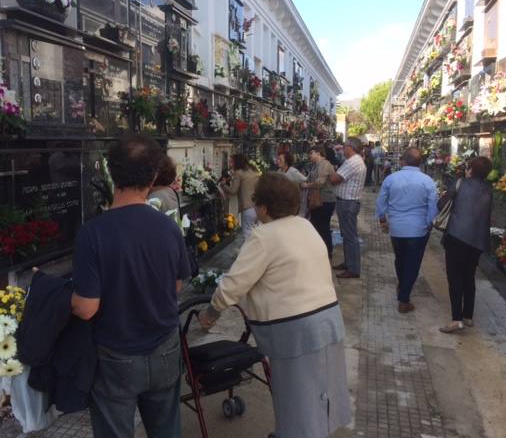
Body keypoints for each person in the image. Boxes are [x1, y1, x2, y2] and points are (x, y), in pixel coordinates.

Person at [198, 172, 352, 438]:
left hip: (295, 329)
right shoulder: (305, 225)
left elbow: (232, 285)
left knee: (296, 399)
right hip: (328, 318)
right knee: (322, 390)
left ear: (263, 208)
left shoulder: (264, 236)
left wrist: (210, 314)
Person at [71, 136, 189, 438]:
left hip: (116, 356)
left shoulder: (92, 233)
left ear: (112, 173)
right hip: (165, 346)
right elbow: (176, 284)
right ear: (153, 176)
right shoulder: (168, 227)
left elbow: (86, 309)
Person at [376, 148, 438, 314]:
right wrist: (429, 223)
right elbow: (432, 207)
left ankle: (402, 285)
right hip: (418, 229)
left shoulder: (391, 179)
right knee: (413, 262)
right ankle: (404, 299)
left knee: (400, 258)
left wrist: (382, 218)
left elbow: (381, 200)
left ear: (403, 161)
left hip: (396, 227)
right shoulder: (428, 181)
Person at [439, 157, 493, 333]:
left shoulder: (461, 183)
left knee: (455, 278)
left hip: (457, 236)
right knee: (469, 276)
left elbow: (442, 205)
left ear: (470, 169)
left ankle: (456, 319)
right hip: (477, 240)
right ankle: (468, 316)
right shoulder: (489, 189)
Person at [330, 137, 367, 279]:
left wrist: (331, 171)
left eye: (344, 146)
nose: (342, 149)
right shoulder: (353, 161)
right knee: (346, 235)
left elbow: (334, 179)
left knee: (350, 237)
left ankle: (353, 268)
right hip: (347, 202)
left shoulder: (353, 162)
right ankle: (349, 263)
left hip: (348, 203)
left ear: (350, 147)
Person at [301, 145, 336, 259]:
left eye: (311, 153)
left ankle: (327, 252)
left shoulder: (324, 164)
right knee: (317, 225)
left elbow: (320, 182)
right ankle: (321, 251)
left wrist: (307, 185)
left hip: (325, 201)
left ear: (318, 153)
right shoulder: (316, 165)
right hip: (319, 200)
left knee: (323, 227)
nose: (309, 156)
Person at [220, 153, 259, 239]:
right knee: (255, 232)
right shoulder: (253, 170)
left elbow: (233, 190)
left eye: (231, 162)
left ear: (237, 162)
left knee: (247, 233)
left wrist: (223, 185)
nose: (230, 164)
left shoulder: (239, 173)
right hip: (257, 206)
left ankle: (249, 252)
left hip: (247, 206)